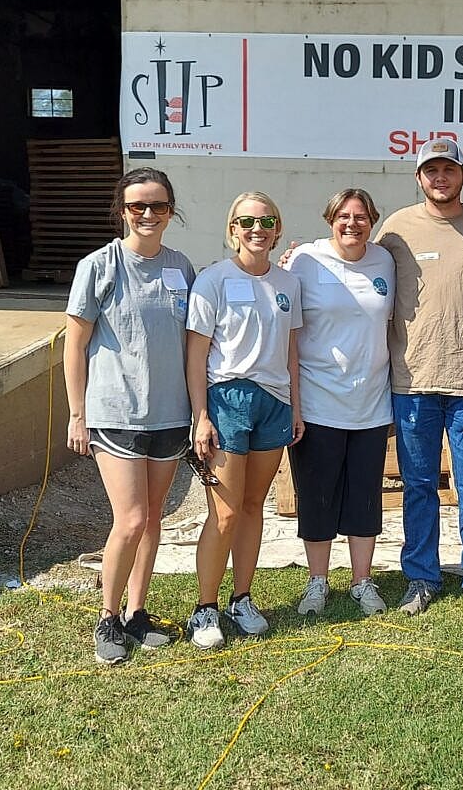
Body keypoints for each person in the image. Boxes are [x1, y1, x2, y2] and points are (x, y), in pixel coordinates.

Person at [64, 167, 196, 665]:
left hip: (169, 414)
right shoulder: (99, 266)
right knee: (132, 519)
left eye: (157, 206)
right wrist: (78, 414)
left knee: (155, 519)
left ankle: (138, 613)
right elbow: (75, 346)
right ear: (121, 211)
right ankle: (108, 616)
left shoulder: (182, 267)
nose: (147, 214)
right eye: (137, 205)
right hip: (116, 412)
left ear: (170, 212)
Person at [376, 138, 463, 616]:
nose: (440, 178)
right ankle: (421, 577)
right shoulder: (396, 231)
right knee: (419, 484)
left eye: (449, 169)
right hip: (414, 379)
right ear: (419, 178)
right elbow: (363, 274)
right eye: (431, 170)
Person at [184, 192, 304, 649]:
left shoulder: (288, 283)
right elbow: (196, 354)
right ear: (232, 228)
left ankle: (242, 598)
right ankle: (204, 608)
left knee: (254, 507)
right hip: (227, 399)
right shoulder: (213, 280)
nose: (257, 229)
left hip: (273, 401)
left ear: (277, 228)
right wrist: (201, 416)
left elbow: (291, 351)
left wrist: (295, 405)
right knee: (226, 511)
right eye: (247, 221)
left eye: (266, 220)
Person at [280, 188, 395, 618]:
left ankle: (362, 582)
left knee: (365, 495)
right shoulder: (305, 260)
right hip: (317, 399)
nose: (352, 223)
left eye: (361, 216)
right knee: (318, 495)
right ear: (330, 219)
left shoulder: (385, 260)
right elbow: (283, 316)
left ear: (372, 220)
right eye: (344, 216)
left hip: (370, 403)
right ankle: (318, 582)